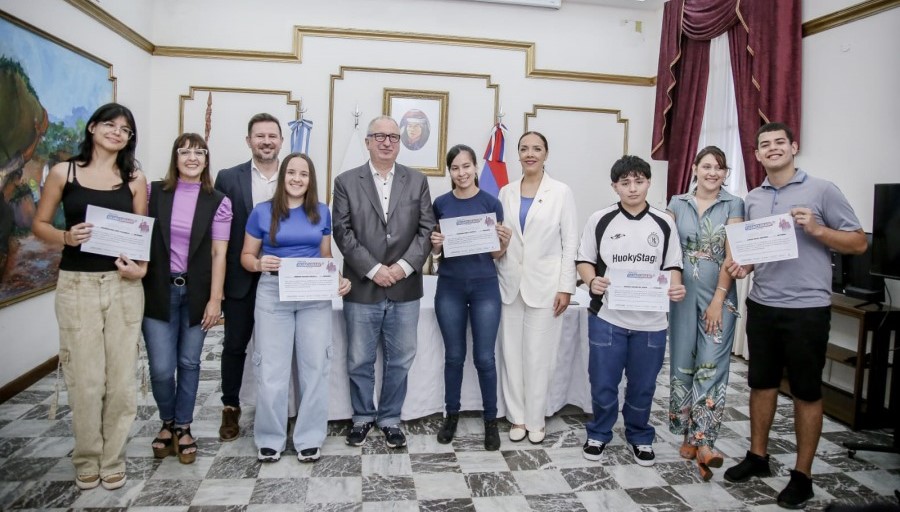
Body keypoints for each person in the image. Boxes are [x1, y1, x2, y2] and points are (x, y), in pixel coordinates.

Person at [724, 123, 866, 509]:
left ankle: (802, 476)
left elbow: (858, 241)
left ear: (794, 146)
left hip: (807, 309)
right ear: (755, 154)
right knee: (761, 384)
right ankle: (757, 456)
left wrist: (817, 229)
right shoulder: (752, 198)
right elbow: (757, 251)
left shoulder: (822, 189)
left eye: (779, 143)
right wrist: (743, 267)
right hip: (764, 304)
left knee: (806, 390)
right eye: (764, 145)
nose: (772, 149)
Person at [32, 103, 147, 490]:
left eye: (125, 129)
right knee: (85, 378)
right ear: (93, 128)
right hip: (76, 285)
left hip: (122, 285)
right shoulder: (65, 172)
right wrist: (65, 237)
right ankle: (86, 456)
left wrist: (140, 268)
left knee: (121, 380)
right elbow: (39, 225)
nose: (117, 132)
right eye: (110, 125)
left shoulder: (134, 178)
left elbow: (141, 234)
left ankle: (113, 457)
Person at [332, 115, 436, 449]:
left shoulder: (417, 181)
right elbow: (342, 232)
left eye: (393, 136)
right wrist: (375, 269)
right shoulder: (346, 181)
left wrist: (403, 267)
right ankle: (362, 416)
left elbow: (426, 229)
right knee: (359, 358)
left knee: (401, 357)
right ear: (367, 141)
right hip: (363, 286)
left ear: (400, 142)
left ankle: (390, 418)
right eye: (379, 136)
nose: (387, 142)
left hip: (405, 286)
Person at [240, 152, 351, 463]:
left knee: (316, 367)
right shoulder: (261, 213)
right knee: (271, 370)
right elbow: (246, 257)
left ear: (310, 179)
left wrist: (338, 279)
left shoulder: (321, 212)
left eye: (304, 174)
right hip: (273, 292)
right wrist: (259, 262)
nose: (297, 179)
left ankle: (309, 438)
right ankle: (270, 438)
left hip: (314, 293)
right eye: (291, 173)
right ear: (283, 176)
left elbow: (325, 255)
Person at [576, 155, 685, 466]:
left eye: (639, 181)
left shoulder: (665, 222)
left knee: (643, 384)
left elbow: (672, 265)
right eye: (625, 183)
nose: (633, 188)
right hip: (607, 317)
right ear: (615, 186)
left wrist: (675, 287)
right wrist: (592, 280)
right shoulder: (600, 219)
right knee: (603, 381)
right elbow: (584, 259)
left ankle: (640, 435)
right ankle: (599, 432)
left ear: (649, 182)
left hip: (651, 321)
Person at [142, 133, 232, 465]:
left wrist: (215, 299)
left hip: (196, 292)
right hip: (158, 290)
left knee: (190, 363)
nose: (192, 157)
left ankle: (182, 426)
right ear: (175, 158)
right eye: (184, 151)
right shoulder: (153, 192)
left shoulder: (219, 200)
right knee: (162, 368)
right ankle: (166, 419)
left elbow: (218, 253)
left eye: (199, 152)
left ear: (207, 160)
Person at [495, 131, 578, 444]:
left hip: (546, 286)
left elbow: (570, 242)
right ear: (518, 154)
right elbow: (500, 237)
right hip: (510, 284)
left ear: (546, 154)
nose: (530, 153)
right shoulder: (506, 192)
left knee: (538, 355)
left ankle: (535, 419)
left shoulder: (561, 192)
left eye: (537, 149)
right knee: (512, 353)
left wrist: (566, 286)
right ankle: (517, 418)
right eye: (524, 148)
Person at [666, 146, 744, 480]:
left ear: (725, 173)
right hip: (681, 295)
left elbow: (732, 254)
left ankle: (706, 440)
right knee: (684, 363)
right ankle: (686, 432)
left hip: (719, 296)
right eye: (707, 166)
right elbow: (668, 248)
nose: (713, 173)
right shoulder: (675, 203)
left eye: (719, 168)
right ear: (695, 168)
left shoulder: (734, 204)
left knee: (711, 365)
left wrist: (718, 299)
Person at [430, 144, 512, 451]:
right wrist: (435, 245)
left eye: (466, 166)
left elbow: (495, 254)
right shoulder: (440, 204)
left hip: (484, 288)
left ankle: (490, 421)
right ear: (449, 172)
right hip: (449, 287)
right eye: (455, 168)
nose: (461, 173)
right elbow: (436, 252)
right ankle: (451, 415)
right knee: (453, 356)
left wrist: (504, 243)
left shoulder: (491, 203)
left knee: (483, 358)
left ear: (475, 167)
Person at [213, 113, 283, 441]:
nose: (266, 141)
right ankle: (230, 407)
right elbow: (218, 234)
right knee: (235, 345)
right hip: (241, 276)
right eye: (259, 136)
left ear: (281, 141)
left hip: (284, 278)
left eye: (272, 135)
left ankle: (280, 406)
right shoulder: (228, 178)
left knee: (277, 348)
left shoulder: (295, 175)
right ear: (249, 140)